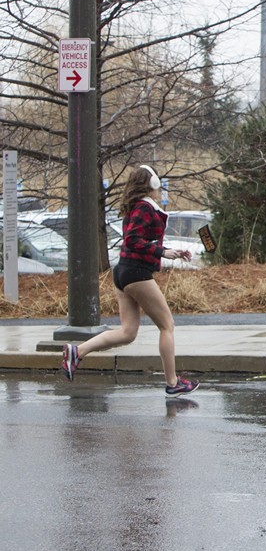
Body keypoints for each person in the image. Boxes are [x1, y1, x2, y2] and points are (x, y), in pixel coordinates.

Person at [60, 165, 199, 396]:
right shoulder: (144, 207)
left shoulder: (137, 207)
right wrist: (162, 253)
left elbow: (141, 240)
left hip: (123, 272)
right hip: (136, 274)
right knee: (167, 326)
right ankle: (173, 383)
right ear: (153, 183)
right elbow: (133, 240)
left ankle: (77, 352)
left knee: (128, 332)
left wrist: (169, 251)